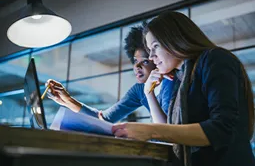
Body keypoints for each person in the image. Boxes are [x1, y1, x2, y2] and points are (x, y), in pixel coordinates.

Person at [112, 11, 255, 166]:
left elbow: (221, 128)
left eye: (155, 46)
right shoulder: (180, 77)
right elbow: (169, 132)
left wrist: (150, 130)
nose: (151, 56)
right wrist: (149, 93)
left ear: (174, 39)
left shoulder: (214, 59)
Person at [46, 25, 174, 123]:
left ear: (156, 59)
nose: (137, 67)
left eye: (145, 61)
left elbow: (168, 129)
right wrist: (67, 100)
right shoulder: (139, 90)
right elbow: (104, 119)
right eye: (135, 61)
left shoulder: (170, 82)